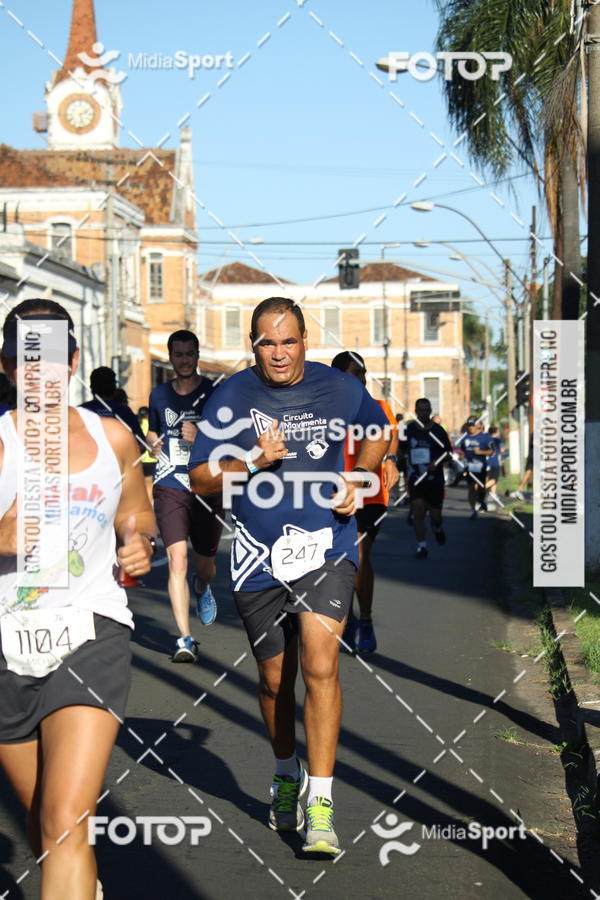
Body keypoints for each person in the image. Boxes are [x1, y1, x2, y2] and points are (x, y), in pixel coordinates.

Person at [189, 297, 388, 855]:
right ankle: (285, 772)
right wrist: (251, 461)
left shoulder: (339, 388)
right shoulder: (229, 397)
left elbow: (378, 433)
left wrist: (360, 477)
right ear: (253, 345)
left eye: (289, 341)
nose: (279, 353)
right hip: (257, 555)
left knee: (321, 665)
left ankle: (321, 802)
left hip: (327, 546)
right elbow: (201, 479)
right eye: (267, 343)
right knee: (276, 680)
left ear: (306, 341)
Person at [0, 298, 155, 900]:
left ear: (72, 360)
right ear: (8, 367)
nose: (39, 375)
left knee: (65, 819)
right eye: (24, 361)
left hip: (92, 632)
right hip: (8, 644)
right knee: (50, 828)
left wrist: (134, 539)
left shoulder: (112, 436)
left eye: (51, 360)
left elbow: (135, 506)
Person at [147, 330, 223, 663]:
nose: (184, 360)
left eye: (189, 354)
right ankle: (185, 638)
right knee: (176, 560)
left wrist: (203, 433)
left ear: (197, 355)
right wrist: (152, 443)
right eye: (178, 355)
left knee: (204, 564)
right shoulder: (159, 394)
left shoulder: (213, 393)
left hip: (205, 485)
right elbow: (152, 429)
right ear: (170, 356)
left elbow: (230, 435)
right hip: (169, 483)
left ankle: (203, 587)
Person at [330, 351, 399, 653]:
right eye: (354, 373)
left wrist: (392, 459)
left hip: (371, 493)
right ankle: (350, 619)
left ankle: (365, 619)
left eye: (363, 373)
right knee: (340, 560)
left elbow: (391, 432)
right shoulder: (327, 408)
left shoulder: (379, 406)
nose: (362, 379)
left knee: (360, 552)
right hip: (336, 492)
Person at [399, 398, 453, 558]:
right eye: (420, 410)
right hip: (416, 479)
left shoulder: (438, 431)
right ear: (415, 411)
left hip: (434, 479)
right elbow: (400, 450)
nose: (423, 413)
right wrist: (398, 460)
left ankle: (437, 527)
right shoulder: (409, 430)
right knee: (418, 510)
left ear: (430, 411)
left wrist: (436, 463)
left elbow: (449, 453)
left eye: (426, 410)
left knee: (435, 516)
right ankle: (421, 546)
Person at [80, 367, 145, 446]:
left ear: (91, 387)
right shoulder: (124, 412)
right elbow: (141, 444)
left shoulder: (80, 412)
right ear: (114, 388)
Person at [456, 416, 495, 518]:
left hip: (481, 466)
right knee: (471, 487)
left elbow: (492, 451)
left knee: (481, 487)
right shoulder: (465, 438)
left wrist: (481, 452)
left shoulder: (486, 437)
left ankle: (481, 500)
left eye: (472, 425)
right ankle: (473, 510)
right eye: (468, 425)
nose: (470, 427)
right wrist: (461, 458)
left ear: (478, 425)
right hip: (469, 467)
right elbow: (463, 451)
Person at [137, 405, 156, 502]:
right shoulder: (151, 424)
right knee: (150, 485)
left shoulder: (137, 423)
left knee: (142, 485)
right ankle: (150, 505)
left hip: (140, 459)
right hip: (152, 459)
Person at [510, 433, 533, 501]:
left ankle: (519, 489)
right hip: (534, 456)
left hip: (532, 455)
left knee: (528, 473)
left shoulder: (534, 434)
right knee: (528, 473)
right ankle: (519, 490)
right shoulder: (536, 434)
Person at [485, 424, 503, 504]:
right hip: (494, 462)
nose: (499, 433)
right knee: (494, 479)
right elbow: (501, 449)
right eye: (498, 432)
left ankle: (493, 494)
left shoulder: (486, 439)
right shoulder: (497, 440)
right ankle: (482, 488)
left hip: (487, 462)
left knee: (491, 479)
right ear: (495, 432)